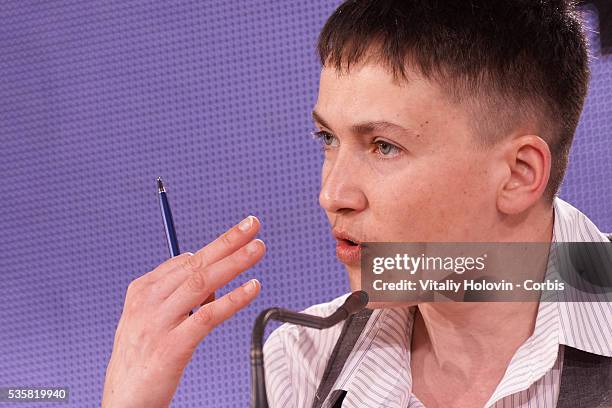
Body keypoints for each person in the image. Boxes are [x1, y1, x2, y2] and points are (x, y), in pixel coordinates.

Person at [102, 1, 611, 407]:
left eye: (383, 146)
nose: (332, 194)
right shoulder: (303, 363)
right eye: (327, 138)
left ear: (519, 174)